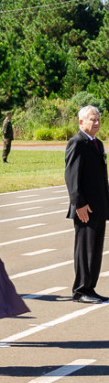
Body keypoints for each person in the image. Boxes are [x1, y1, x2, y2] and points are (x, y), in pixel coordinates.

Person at [65, 105, 109, 303]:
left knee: (95, 250)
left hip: (99, 206)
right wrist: (79, 204)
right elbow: (72, 176)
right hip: (85, 208)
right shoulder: (77, 143)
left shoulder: (97, 144)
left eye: (98, 119)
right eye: (93, 119)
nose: (97, 123)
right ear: (81, 122)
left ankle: (90, 287)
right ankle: (81, 289)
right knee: (85, 249)